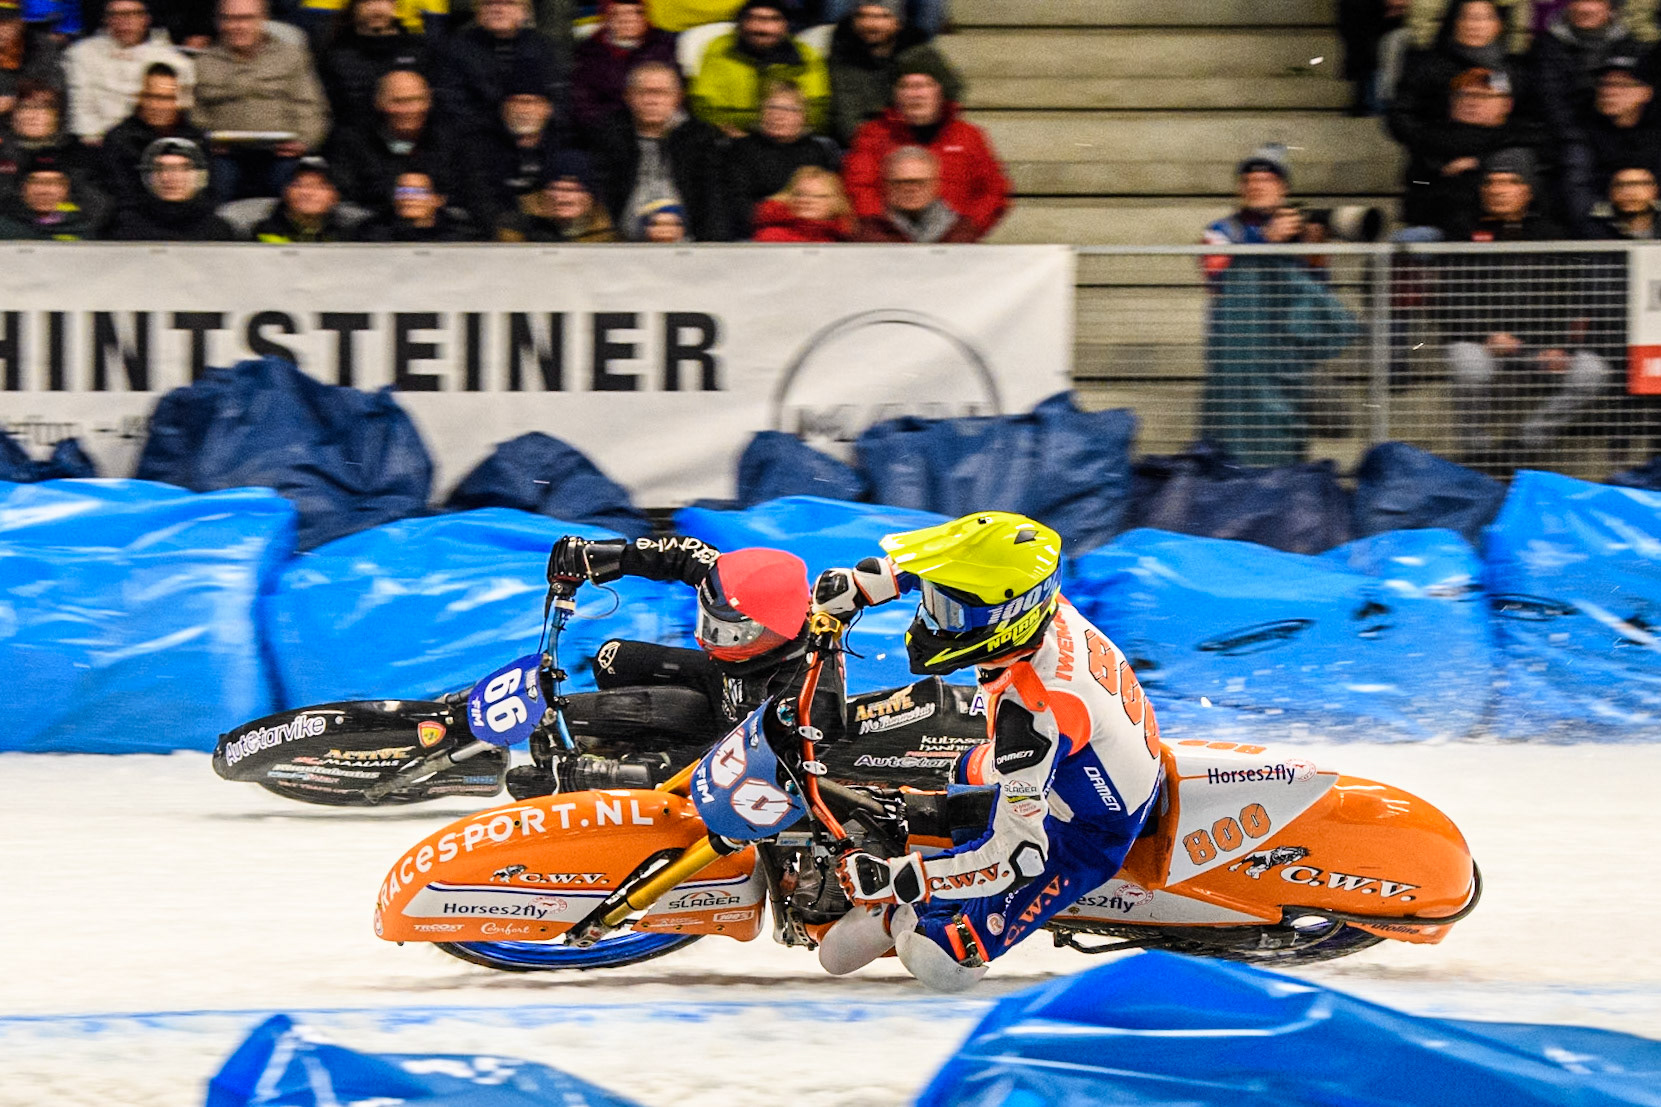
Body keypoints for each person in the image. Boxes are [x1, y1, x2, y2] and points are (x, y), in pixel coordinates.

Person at [808, 511, 1163, 992]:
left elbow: (1017, 856)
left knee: (940, 961)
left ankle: (907, 918)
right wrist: (865, 584)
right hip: (1074, 760)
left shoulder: (1034, 714)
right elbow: (945, 573)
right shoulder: (1035, 603)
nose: (928, 621)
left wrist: (897, 881)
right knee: (939, 758)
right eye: (933, 603)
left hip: (1085, 830)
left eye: (946, 614)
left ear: (1004, 624)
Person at [520, 535, 834, 797]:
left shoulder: (803, 696)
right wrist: (607, 556)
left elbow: (741, 770)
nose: (712, 639)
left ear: (775, 631)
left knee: (658, 770)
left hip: (749, 747)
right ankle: (630, 744)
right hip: (720, 686)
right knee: (613, 660)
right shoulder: (736, 592)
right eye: (711, 624)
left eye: (729, 633)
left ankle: (648, 761)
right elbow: (683, 553)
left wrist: (622, 774)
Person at [1440, 149, 1613, 466]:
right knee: (1466, 362)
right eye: (1491, 183)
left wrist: (1561, 346)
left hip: (1539, 348)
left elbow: (1572, 299)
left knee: (1592, 370)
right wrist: (1487, 335)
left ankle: (1524, 442)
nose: (1498, 190)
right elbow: (1451, 297)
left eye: (1510, 182)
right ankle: (1476, 450)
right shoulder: (1461, 231)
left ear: (1528, 191)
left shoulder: (1554, 237)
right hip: (1485, 343)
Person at [1198, 148, 1360, 467]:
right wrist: (1265, 241)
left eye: (1267, 179)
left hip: (1289, 354)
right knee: (1234, 440)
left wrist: (1313, 253)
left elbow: (1317, 294)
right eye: (1249, 180)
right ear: (1240, 189)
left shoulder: (1299, 232)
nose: (1257, 185)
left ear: (1283, 188)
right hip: (1241, 356)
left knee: (1317, 424)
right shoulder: (1220, 232)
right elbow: (1218, 279)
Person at [841, 57, 1011, 240]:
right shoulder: (873, 134)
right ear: (895, 94)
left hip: (955, 246)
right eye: (905, 86)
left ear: (940, 90)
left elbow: (993, 190)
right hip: (890, 244)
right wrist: (881, 232)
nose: (915, 94)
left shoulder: (969, 136)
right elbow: (859, 187)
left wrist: (967, 229)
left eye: (923, 85)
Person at [193, 0, 331, 199]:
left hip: (282, 152)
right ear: (218, 22)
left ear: (263, 19)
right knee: (217, 181)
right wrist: (206, 138)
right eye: (229, 19)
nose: (237, 26)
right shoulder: (203, 61)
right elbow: (195, 109)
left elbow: (310, 105)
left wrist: (304, 141)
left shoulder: (291, 56)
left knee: (289, 181)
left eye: (246, 18)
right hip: (224, 153)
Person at [592, 60, 727, 240]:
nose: (651, 100)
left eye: (661, 93)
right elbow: (602, 197)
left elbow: (713, 202)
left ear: (678, 98)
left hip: (688, 245)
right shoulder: (609, 135)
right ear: (628, 96)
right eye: (643, 92)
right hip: (621, 245)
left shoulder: (701, 138)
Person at [1400, 66, 1540, 234]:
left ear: (1506, 104)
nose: (1472, 102)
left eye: (1483, 96)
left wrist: (1480, 163)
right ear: (1451, 102)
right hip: (1440, 225)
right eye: (1463, 95)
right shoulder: (1429, 140)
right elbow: (1415, 182)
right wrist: (1440, 173)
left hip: (1506, 226)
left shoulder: (1521, 137)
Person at [1389, 1, 1526, 156]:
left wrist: (1481, 158)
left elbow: (1520, 124)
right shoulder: (1429, 66)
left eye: (1484, 18)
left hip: (1493, 168)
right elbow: (1399, 115)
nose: (1474, 25)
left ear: (1498, 25)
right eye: (1467, 17)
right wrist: (1435, 145)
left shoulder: (1506, 72)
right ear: (1455, 22)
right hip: (1430, 167)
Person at [686, 0, 830, 137]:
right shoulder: (720, 49)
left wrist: (780, 130)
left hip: (790, 139)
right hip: (728, 138)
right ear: (742, 22)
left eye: (773, 19)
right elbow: (702, 106)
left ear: (786, 25)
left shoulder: (806, 55)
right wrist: (734, 129)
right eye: (754, 18)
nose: (762, 28)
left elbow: (818, 110)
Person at [826, 0, 960, 146]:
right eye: (862, 16)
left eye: (882, 17)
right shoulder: (843, 58)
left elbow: (951, 92)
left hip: (919, 139)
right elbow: (847, 120)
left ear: (898, 23)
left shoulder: (918, 53)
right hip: (867, 143)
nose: (871, 24)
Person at [64, 0, 194, 145]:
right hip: (96, 144)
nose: (124, 22)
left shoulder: (175, 61)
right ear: (105, 19)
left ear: (146, 18)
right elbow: (81, 109)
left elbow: (179, 112)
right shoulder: (81, 54)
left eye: (132, 14)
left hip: (151, 141)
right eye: (115, 14)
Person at [724, 79, 839, 237]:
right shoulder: (742, 150)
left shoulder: (817, 152)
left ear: (802, 116)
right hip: (760, 234)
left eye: (788, 109)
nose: (777, 115)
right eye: (772, 107)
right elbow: (739, 206)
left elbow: (828, 204)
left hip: (811, 234)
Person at [327, 68, 454, 210]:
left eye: (417, 100)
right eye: (399, 101)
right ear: (379, 103)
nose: (409, 109)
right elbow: (345, 199)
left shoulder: (450, 138)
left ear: (429, 102)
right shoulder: (352, 141)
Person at [434, 0, 567, 133]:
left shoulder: (543, 47)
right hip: (477, 138)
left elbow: (558, 99)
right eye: (489, 3)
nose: (497, 9)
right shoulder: (456, 49)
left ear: (525, 11)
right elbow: (453, 105)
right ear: (477, 11)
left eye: (508, 3)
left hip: (536, 136)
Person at [1528, 0, 1648, 146]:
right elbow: (1551, 103)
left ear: (1610, 7)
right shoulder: (1545, 47)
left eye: (1595, 1)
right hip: (1565, 139)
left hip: (1622, 139)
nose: (1585, 8)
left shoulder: (1632, 47)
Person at [1561, 55, 1661, 231]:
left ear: (1646, 92)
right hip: (1601, 230)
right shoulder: (1583, 131)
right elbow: (1579, 195)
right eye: (1604, 84)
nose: (1609, 91)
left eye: (1622, 85)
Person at [99, 61, 209, 209]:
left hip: (189, 219)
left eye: (166, 99)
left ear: (179, 101)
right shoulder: (119, 139)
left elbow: (206, 191)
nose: (157, 106)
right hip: (137, 220)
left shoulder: (195, 139)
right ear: (141, 98)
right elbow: (120, 195)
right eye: (151, 97)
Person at [568, 0, 677, 143]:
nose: (628, 18)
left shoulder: (663, 45)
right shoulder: (589, 52)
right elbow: (583, 105)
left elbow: (674, 93)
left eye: (636, 12)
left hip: (661, 128)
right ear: (607, 17)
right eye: (618, 12)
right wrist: (616, 130)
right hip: (608, 135)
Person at [316, 0, 432, 135]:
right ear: (354, 7)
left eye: (383, 1)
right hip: (351, 143)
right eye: (367, 2)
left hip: (413, 140)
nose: (377, 9)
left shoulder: (418, 51)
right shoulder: (333, 55)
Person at [463, 78, 562, 233]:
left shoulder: (563, 146)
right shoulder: (479, 147)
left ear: (548, 108)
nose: (524, 110)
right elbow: (480, 200)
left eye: (532, 102)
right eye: (516, 101)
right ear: (503, 108)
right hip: (495, 239)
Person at [107, 135, 237, 238]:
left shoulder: (217, 230)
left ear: (201, 176)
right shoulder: (124, 227)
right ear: (147, 176)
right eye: (160, 168)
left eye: (183, 168)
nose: (170, 177)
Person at [849, 144, 975, 242]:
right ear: (887, 186)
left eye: (919, 182)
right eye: (901, 182)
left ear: (935, 184)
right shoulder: (869, 233)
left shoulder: (960, 231)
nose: (910, 189)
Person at [494, 149, 619, 241]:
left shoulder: (605, 233)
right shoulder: (517, 221)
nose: (562, 197)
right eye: (555, 188)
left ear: (590, 197)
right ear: (543, 192)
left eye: (572, 190)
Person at [251, 154, 357, 239]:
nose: (307, 193)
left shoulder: (350, 236)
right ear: (285, 192)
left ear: (335, 195)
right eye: (298, 185)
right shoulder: (264, 233)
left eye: (318, 186)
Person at [0, 149, 102, 238]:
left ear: (67, 189)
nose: (45, 191)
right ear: (22, 188)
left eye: (55, 183)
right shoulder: (4, 228)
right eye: (36, 182)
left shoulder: (83, 230)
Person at [355, 167, 476, 239]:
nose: (408, 197)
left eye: (418, 191)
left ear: (438, 199)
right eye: (402, 190)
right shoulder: (371, 234)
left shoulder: (459, 237)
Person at [753, 163, 852, 241]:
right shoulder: (771, 237)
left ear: (835, 202)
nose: (806, 200)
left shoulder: (844, 239)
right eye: (799, 194)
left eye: (817, 196)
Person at [0, 0, 63, 118]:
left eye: (6, 23)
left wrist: (15, 96)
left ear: (20, 24)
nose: (1, 29)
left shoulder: (41, 46)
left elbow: (54, 86)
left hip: (28, 117)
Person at [1586, 162, 1661, 235]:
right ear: (1610, 192)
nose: (1630, 192)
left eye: (1639, 184)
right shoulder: (1590, 233)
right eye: (1621, 185)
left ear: (1655, 190)